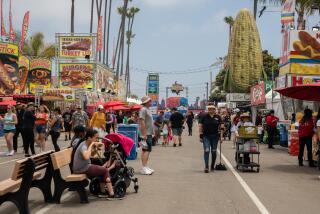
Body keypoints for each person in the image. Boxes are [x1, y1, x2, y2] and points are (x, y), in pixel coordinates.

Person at [72, 129, 118, 199]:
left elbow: (91, 155)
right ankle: (111, 193)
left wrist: (95, 149)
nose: (97, 140)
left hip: (82, 167)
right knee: (105, 170)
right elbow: (86, 156)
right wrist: (92, 145)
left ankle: (103, 191)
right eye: (95, 138)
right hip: (82, 168)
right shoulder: (83, 146)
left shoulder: (86, 144)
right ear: (89, 138)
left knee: (102, 170)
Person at [199, 105, 223, 173]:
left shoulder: (218, 117)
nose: (211, 110)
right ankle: (206, 166)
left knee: (214, 151)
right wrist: (200, 136)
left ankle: (212, 165)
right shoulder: (204, 116)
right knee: (206, 150)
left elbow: (221, 127)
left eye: (212, 109)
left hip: (215, 136)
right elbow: (200, 126)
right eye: (209, 109)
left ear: (215, 110)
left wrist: (221, 136)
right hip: (206, 136)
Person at [139, 96, 154, 175]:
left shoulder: (147, 109)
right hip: (146, 133)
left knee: (147, 150)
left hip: (149, 133)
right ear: (146, 102)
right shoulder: (143, 109)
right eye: (150, 101)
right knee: (146, 150)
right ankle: (144, 167)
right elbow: (142, 122)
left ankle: (145, 166)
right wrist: (144, 133)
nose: (151, 102)